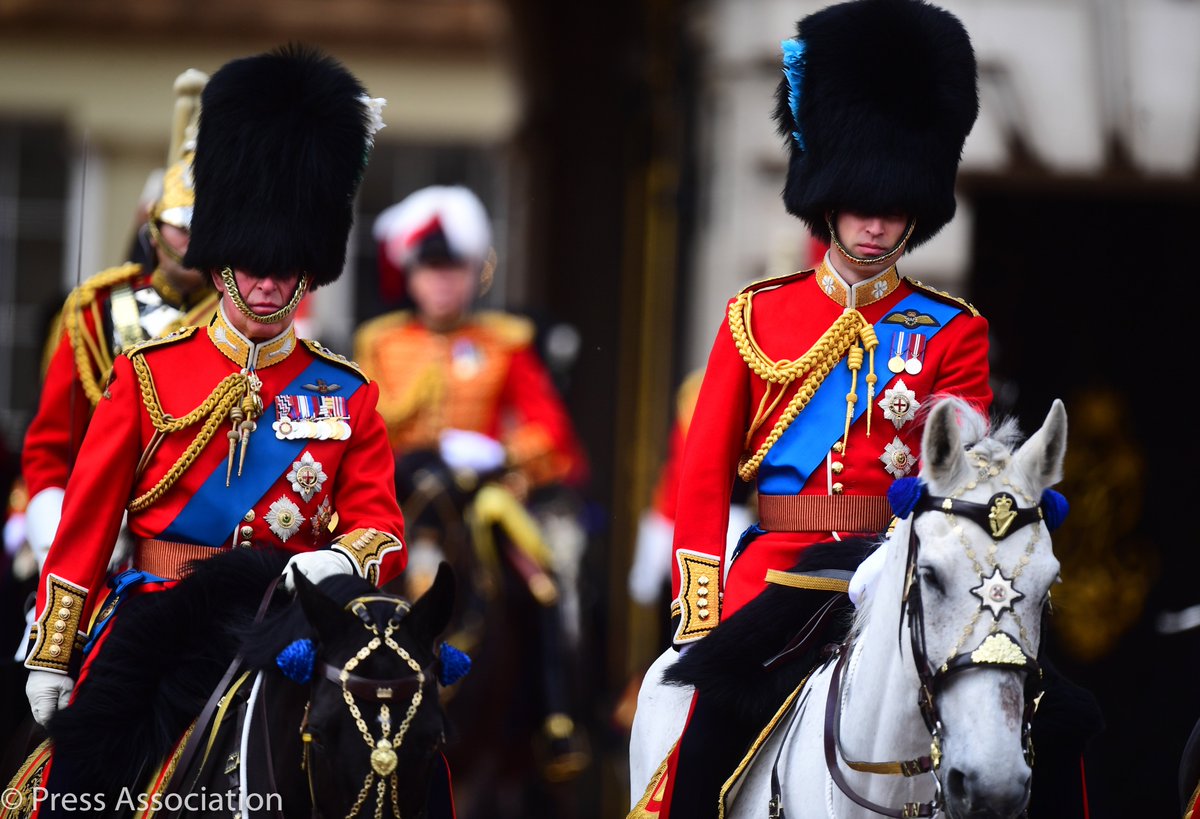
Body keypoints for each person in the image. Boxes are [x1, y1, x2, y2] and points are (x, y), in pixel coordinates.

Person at [19, 45, 405, 812]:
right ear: (221, 260)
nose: (266, 282)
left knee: (401, 755)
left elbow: (382, 527)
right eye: (251, 264)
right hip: (160, 607)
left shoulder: (348, 392)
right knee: (76, 784)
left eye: (285, 267)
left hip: (289, 614)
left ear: (310, 270)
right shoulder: (146, 371)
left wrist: (333, 563)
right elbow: (89, 521)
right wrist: (54, 651)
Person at [633, 1, 991, 816]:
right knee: (704, 745)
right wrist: (699, 606)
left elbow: (961, 473)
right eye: (860, 204)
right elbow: (702, 473)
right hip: (779, 573)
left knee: (1051, 720)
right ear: (826, 200)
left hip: (898, 573)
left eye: (893, 208)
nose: (874, 225)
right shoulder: (756, 316)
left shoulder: (953, 330)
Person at [353, 185, 591, 788]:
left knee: (540, 583)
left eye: (454, 270)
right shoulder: (380, 343)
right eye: (431, 271)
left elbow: (553, 438)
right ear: (411, 276)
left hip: (480, 496)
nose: (442, 284)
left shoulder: (504, 344)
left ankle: (556, 718)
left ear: (474, 275)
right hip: (401, 495)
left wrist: (500, 452)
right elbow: (360, 427)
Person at [20, 68, 218, 585]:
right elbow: (52, 442)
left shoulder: (236, 316)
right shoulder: (96, 308)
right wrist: (55, 531)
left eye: (207, 227)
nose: (193, 240)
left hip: (194, 536)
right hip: (94, 523)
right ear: (154, 230)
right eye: (181, 224)